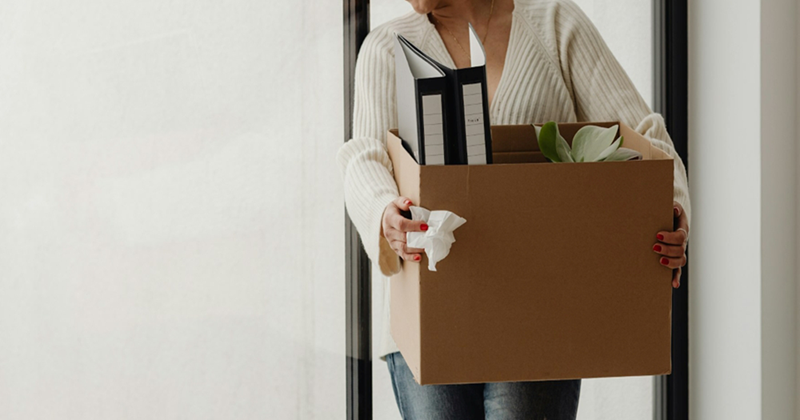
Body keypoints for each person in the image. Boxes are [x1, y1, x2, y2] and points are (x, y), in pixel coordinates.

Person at [337, 0, 691, 417]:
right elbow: (366, 154)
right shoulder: (385, 47)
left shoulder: (556, 24)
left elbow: (645, 135)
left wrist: (668, 207)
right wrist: (383, 212)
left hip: (539, 306)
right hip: (429, 313)